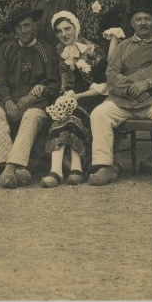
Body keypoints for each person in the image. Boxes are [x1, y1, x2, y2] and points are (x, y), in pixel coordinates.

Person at [87, 0, 152, 189]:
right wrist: (131, 89)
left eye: (148, 18)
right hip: (125, 100)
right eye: (138, 19)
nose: (143, 23)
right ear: (132, 23)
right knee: (99, 114)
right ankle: (105, 166)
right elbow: (111, 75)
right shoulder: (123, 46)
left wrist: (147, 84)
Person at [0, 8, 61, 188]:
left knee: (31, 116)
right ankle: (12, 166)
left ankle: (11, 168)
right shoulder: (7, 49)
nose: (24, 31)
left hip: (36, 105)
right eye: (19, 27)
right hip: (10, 103)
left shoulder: (46, 50)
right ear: (14, 30)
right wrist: (6, 100)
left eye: (27, 25)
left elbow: (54, 85)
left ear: (34, 25)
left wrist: (36, 94)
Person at [41, 11, 107, 187]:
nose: (64, 34)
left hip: (91, 99)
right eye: (59, 31)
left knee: (73, 116)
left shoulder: (93, 50)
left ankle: (76, 167)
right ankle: (56, 170)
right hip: (65, 98)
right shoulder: (57, 51)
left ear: (76, 27)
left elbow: (103, 86)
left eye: (67, 29)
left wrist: (77, 97)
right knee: (61, 116)